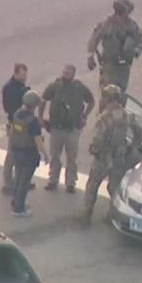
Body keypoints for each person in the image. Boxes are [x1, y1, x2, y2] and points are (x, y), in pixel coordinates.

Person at [80, 85, 142, 225]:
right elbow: (139, 133)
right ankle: (113, 214)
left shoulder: (104, 117)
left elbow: (98, 139)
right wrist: (132, 147)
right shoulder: (127, 114)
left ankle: (86, 214)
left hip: (103, 157)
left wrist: (94, 149)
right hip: (119, 156)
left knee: (93, 185)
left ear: (107, 98)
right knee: (114, 187)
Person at [38, 64, 95, 193]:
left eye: (68, 73)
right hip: (56, 128)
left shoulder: (79, 88)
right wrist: (40, 117)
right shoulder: (55, 86)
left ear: (73, 75)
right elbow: (43, 99)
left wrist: (84, 116)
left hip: (72, 129)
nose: (65, 75)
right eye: (64, 72)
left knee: (72, 158)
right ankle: (53, 180)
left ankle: (70, 183)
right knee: (55, 156)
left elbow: (91, 101)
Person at [86, 0, 142, 108]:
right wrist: (90, 56)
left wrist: (135, 51)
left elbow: (139, 40)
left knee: (120, 95)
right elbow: (94, 38)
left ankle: (118, 118)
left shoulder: (132, 26)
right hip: (109, 66)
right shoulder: (107, 24)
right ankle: (104, 119)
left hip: (123, 68)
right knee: (107, 95)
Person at [10, 91, 49, 217]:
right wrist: (45, 155)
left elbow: (12, 132)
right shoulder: (32, 121)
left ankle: (15, 201)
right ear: (34, 105)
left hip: (16, 150)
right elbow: (38, 140)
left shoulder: (17, 114)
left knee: (18, 177)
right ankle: (19, 208)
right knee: (24, 181)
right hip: (28, 154)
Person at [1, 63, 30, 194]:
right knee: (13, 154)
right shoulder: (11, 89)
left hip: (19, 123)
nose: (25, 77)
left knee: (21, 153)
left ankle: (20, 180)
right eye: (22, 74)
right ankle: (8, 183)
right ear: (16, 73)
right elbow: (12, 108)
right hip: (15, 124)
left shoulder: (19, 87)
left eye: (25, 75)